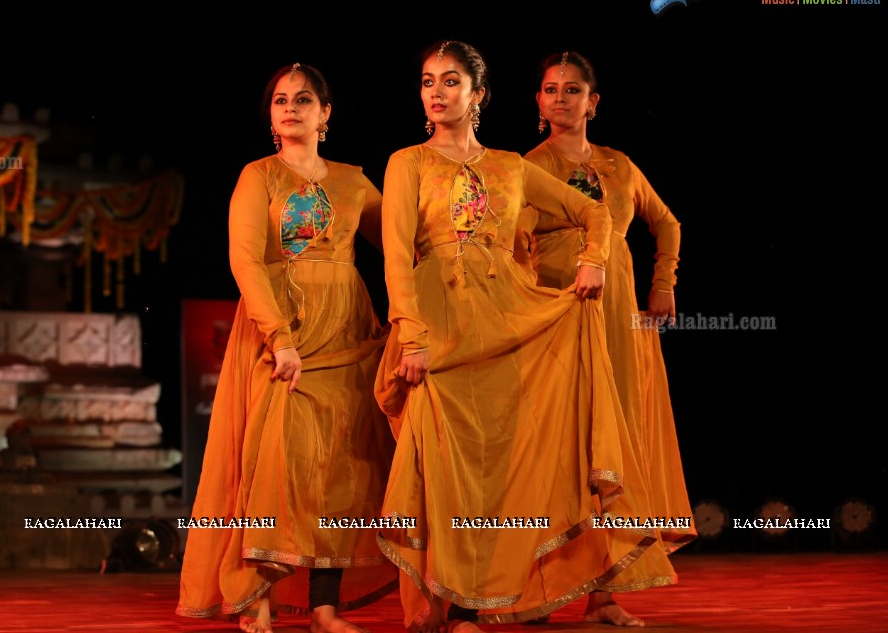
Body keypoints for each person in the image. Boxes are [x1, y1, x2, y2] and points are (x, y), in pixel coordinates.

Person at [375, 41, 672, 632]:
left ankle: (486, 601)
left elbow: (597, 215)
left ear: (478, 95)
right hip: (437, 325)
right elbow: (394, 257)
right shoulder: (406, 162)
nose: (436, 91)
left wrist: (595, 260)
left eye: (451, 81)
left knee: (500, 470)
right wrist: (409, 334)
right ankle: (449, 601)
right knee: (443, 464)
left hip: (506, 323)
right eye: (429, 81)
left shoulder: (511, 166)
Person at [176, 63, 397, 633]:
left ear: (327, 113)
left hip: (348, 335)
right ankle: (256, 597)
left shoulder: (352, 181)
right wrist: (279, 337)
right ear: (271, 116)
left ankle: (326, 606)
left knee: (342, 471)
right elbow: (245, 259)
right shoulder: (259, 176)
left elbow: (401, 243)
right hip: (285, 334)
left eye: (304, 99)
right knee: (277, 464)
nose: (291, 107)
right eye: (280, 100)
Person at [519, 50, 697, 625]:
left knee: (611, 447)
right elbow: (513, 242)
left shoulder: (620, 166)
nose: (561, 99)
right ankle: (536, 586)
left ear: (593, 102)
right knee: (555, 444)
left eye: (573, 90)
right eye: (550, 89)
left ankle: (604, 594)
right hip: (557, 311)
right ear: (538, 102)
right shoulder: (525, 166)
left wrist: (662, 286)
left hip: (618, 313)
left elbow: (666, 222)